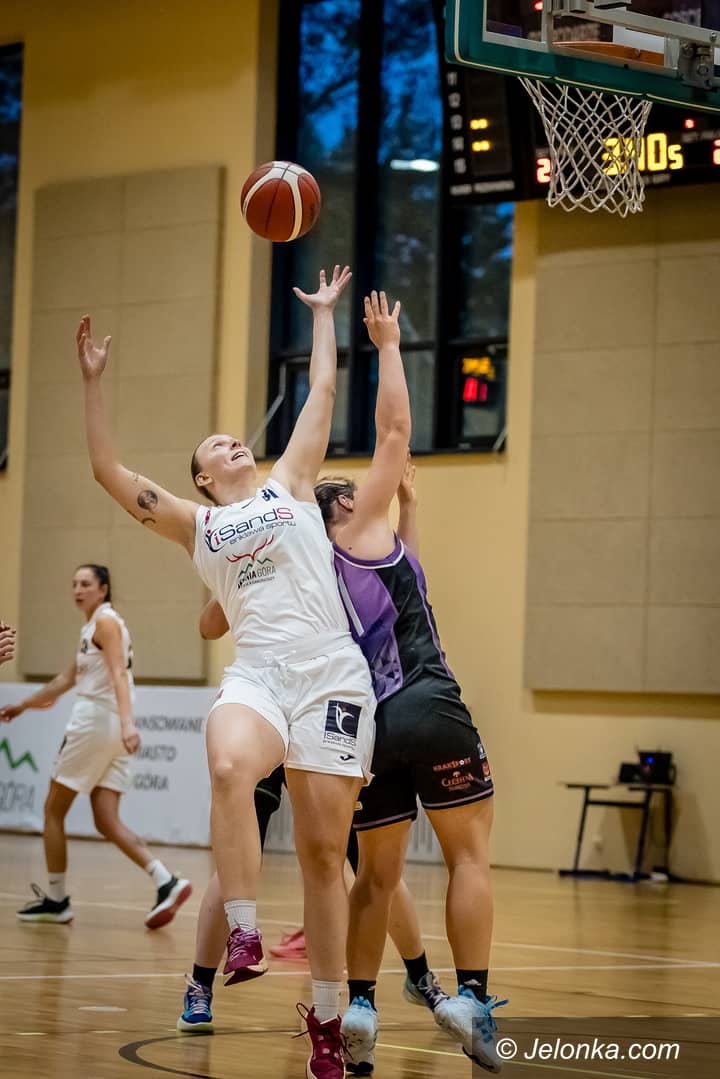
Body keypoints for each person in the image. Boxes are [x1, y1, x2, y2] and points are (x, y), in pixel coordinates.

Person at [76, 266, 376, 1079]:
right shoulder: (196, 524)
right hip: (261, 674)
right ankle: (242, 929)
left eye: (235, 436)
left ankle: (326, 1016)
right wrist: (93, 384)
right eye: (215, 445)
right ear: (204, 478)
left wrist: (324, 315)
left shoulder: (291, 483)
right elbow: (109, 472)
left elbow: (322, 390)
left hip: (332, 675)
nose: (232, 441)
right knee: (227, 763)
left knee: (324, 856)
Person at [314, 290, 507, 1075]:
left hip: (371, 730)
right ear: (345, 509)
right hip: (430, 702)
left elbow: (412, 579)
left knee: (376, 877)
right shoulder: (359, 527)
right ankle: (474, 997)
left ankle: (361, 1005)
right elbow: (394, 428)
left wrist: (413, 505)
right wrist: (389, 343)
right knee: (470, 859)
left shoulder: (319, 571)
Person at [178, 589, 443, 1035]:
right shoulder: (257, 559)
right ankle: (200, 985)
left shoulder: (336, 560)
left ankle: (421, 977)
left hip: (327, 706)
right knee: (236, 861)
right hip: (266, 706)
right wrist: (232, 576)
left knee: (370, 866)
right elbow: (209, 625)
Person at [0, 564, 191, 928]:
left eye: (86, 583)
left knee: (52, 810)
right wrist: (23, 706)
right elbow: (65, 679)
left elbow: (119, 673)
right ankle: (166, 880)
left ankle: (57, 899)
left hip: (95, 723)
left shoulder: (105, 623)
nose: (77, 589)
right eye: (74, 583)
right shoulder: (93, 628)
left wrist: (128, 723)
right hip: (110, 729)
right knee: (106, 819)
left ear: (103, 589)